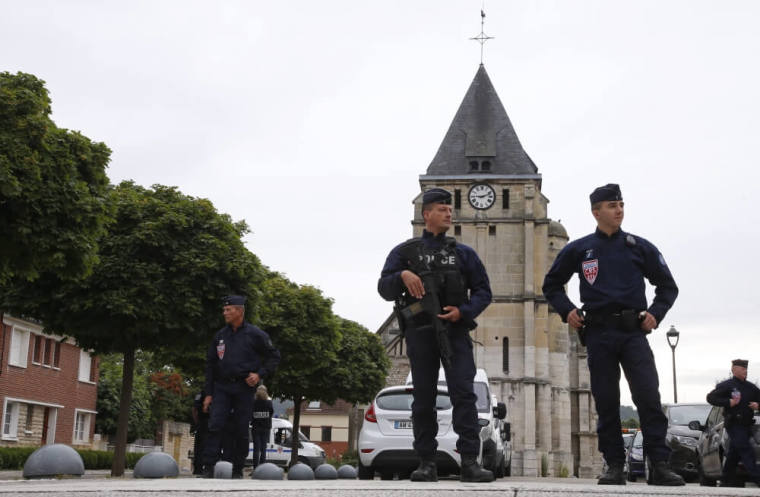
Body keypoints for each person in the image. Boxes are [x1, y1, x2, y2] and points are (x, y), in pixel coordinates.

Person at [542, 183, 684, 486]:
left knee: (648, 396)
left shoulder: (639, 247)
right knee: (606, 401)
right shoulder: (579, 249)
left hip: (634, 333)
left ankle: (658, 464)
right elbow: (551, 284)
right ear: (596, 211)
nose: (619, 209)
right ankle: (614, 465)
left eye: (621, 204)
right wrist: (566, 310)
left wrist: (655, 314)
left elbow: (668, 287)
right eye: (612, 205)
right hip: (598, 332)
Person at [378, 187, 494, 483]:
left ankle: (469, 461)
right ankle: (426, 462)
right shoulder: (404, 253)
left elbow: (484, 292)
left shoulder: (463, 254)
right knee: (423, 399)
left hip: (454, 332)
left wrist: (463, 312)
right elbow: (383, 288)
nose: (448, 212)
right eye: (441, 208)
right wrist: (402, 276)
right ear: (426, 213)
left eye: (449, 208)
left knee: (464, 395)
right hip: (420, 333)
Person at [202, 295, 281, 479]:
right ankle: (208, 466)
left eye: (228, 310)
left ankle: (237, 468)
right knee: (215, 425)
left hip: (244, 388)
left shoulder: (255, 334)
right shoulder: (220, 336)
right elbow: (210, 364)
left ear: (239, 311)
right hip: (221, 386)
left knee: (241, 427)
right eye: (224, 310)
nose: (225, 313)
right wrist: (208, 393)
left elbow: (274, 356)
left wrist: (259, 374)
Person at [706, 359, 760, 487]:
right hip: (734, 424)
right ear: (734, 370)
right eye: (742, 369)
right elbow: (711, 398)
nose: (745, 371)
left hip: (747, 425)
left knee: (734, 453)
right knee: (746, 450)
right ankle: (757, 478)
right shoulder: (726, 385)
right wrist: (728, 402)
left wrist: (758, 405)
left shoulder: (751, 387)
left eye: (746, 369)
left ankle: (725, 479)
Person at [251, 385, 274, 468]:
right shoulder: (269, 402)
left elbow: (251, 414)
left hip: (256, 427)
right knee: (263, 448)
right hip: (266, 427)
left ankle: (255, 468)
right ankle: (262, 467)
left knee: (256, 449)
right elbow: (271, 413)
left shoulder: (253, 402)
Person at [191, 389, 209, 475]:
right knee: (205, 445)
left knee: (199, 446)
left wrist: (197, 422)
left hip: (201, 422)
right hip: (208, 422)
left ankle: (198, 468)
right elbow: (194, 409)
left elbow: (194, 409)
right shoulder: (215, 392)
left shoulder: (200, 393)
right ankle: (206, 467)